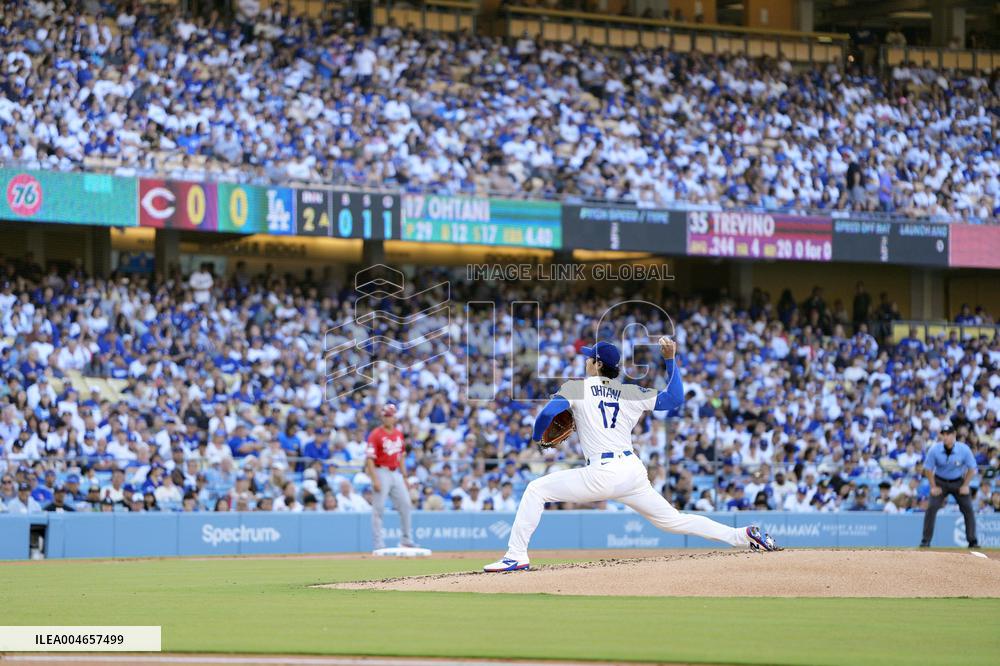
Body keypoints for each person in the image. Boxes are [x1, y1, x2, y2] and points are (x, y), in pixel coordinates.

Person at [483, 339, 779, 572]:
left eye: (589, 358)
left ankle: (515, 556)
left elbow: (547, 413)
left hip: (602, 472)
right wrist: (669, 359)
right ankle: (743, 535)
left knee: (536, 489)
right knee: (672, 521)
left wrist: (537, 437)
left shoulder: (576, 387)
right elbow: (674, 398)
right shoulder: (630, 391)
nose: (586, 361)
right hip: (632, 471)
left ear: (597, 364)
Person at [365, 403, 418, 551]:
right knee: (379, 509)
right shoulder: (376, 434)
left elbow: (401, 456)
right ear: (382, 417)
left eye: (391, 415)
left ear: (395, 417)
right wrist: (374, 479)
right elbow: (369, 459)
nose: (389, 418)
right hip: (381, 471)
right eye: (386, 415)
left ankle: (406, 540)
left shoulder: (398, 433)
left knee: (406, 504)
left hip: (396, 473)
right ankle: (378, 544)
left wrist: (405, 477)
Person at [920, 424, 979, 548]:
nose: (945, 437)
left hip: (958, 482)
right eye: (944, 434)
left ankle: (972, 541)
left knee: (968, 508)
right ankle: (926, 541)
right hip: (940, 481)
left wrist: (966, 485)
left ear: (954, 435)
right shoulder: (935, 449)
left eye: (948, 434)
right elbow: (928, 469)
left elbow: (972, 468)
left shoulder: (963, 449)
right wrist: (933, 486)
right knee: (931, 507)